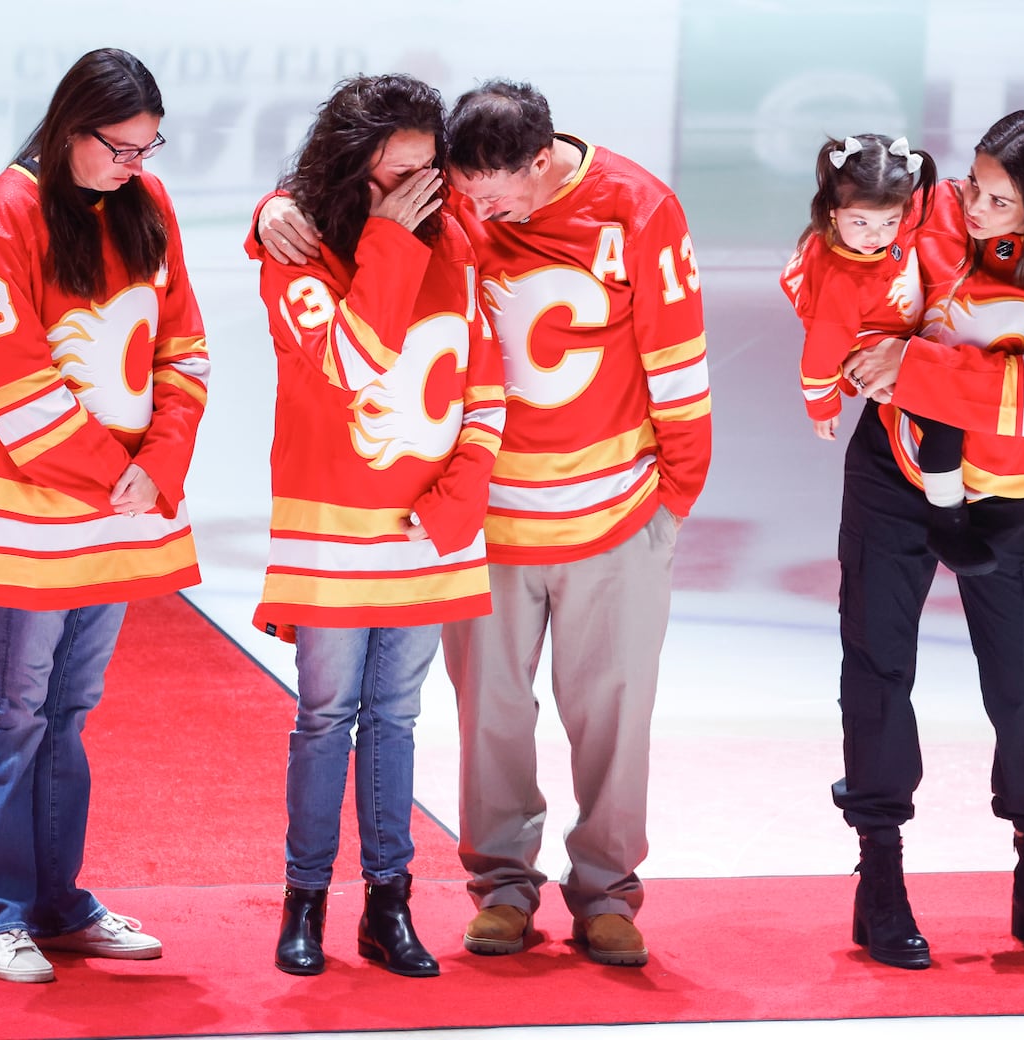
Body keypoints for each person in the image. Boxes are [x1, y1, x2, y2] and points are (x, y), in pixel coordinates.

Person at [263, 78, 712, 967]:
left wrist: (673, 502)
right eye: (459, 187)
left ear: (541, 160)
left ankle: (609, 893)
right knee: (488, 720)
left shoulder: (637, 208)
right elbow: (358, 208)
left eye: (489, 190)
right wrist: (275, 203)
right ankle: (502, 886)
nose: (473, 206)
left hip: (614, 511)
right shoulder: (462, 207)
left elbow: (679, 354)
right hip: (484, 522)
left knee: (615, 716)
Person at [836, 110, 1024, 969]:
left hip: (1005, 493)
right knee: (877, 666)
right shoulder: (935, 206)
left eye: (1000, 199)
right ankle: (880, 875)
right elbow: (846, 274)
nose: (973, 206)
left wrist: (916, 367)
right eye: (973, 184)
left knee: (1022, 688)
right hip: (891, 470)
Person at [0, 48, 210, 984]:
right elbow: (10, 384)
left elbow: (186, 348)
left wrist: (162, 462)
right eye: (121, 148)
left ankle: (56, 903)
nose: (136, 164)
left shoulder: (148, 202)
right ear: (71, 128)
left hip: (123, 507)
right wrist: (119, 473)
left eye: (148, 147)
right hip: (39, 513)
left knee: (71, 711)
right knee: (18, 709)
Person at [248, 73, 504, 979]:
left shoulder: (458, 238)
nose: (416, 192)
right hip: (330, 527)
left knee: (396, 720)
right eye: (395, 177)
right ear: (350, 164)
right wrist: (389, 239)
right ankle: (305, 903)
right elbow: (350, 364)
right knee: (326, 717)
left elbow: (484, 382)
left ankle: (388, 906)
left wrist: (459, 503)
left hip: (426, 533)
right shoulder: (295, 249)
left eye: (425, 174)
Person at [781, 134, 993, 576]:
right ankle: (947, 518)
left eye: (887, 223)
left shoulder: (893, 221)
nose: (874, 236)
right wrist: (822, 402)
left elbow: (917, 207)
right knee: (944, 417)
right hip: (871, 351)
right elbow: (822, 348)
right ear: (832, 214)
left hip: (910, 339)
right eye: (859, 223)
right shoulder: (844, 280)